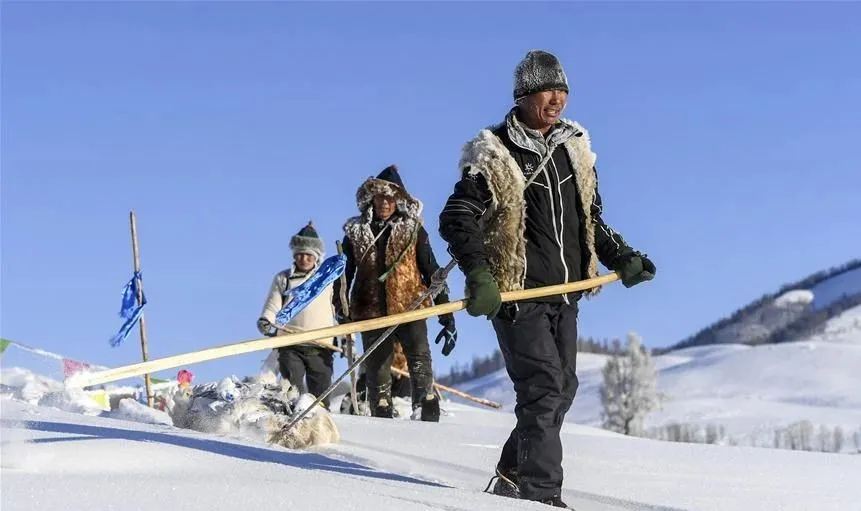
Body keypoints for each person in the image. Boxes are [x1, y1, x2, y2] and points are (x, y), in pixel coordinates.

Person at [438, 50, 656, 508]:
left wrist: (623, 256)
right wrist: (479, 273)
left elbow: (590, 219)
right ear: (523, 96)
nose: (557, 99)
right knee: (542, 389)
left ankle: (512, 473)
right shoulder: (494, 152)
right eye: (547, 91)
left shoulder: (573, 147)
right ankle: (539, 497)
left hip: (564, 293)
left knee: (564, 388)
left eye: (562, 91)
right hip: (517, 293)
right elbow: (458, 216)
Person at [334, 164, 456, 422]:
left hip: (410, 304)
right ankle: (381, 409)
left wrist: (446, 314)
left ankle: (425, 404)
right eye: (380, 197)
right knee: (378, 365)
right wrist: (341, 307)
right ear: (372, 198)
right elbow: (343, 274)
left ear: (398, 200)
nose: (385, 203)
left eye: (390, 198)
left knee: (419, 356)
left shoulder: (413, 230)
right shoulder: (355, 233)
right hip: (370, 308)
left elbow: (432, 270)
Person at [256, 221, 338, 409]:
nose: (304, 258)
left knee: (321, 395)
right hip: (290, 343)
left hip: (321, 344)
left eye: (308, 255)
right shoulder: (283, 279)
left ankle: (319, 427)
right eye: (300, 254)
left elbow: (338, 308)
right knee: (293, 390)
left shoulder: (328, 280)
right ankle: (290, 422)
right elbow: (273, 304)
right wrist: (266, 320)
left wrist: (345, 331)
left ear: (316, 257)